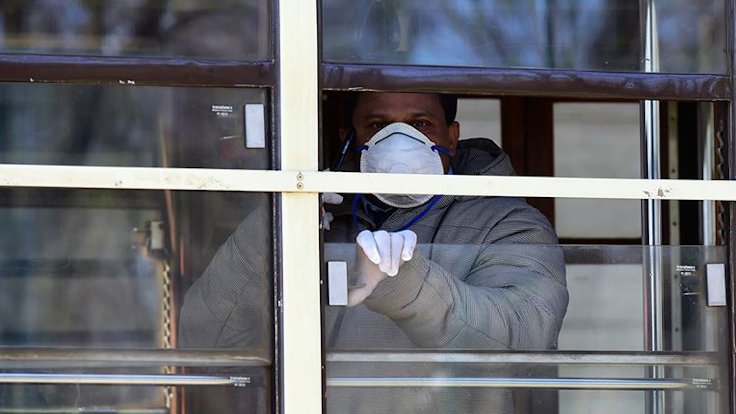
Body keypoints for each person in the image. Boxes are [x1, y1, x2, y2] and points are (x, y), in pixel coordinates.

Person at [179, 92, 569, 413]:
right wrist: (272, 228)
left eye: (420, 124)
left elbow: (524, 337)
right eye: (378, 126)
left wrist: (404, 284)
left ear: (452, 137)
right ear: (350, 140)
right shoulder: (318, 217)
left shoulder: (509, 223)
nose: (400, 141)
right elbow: (205, 338)